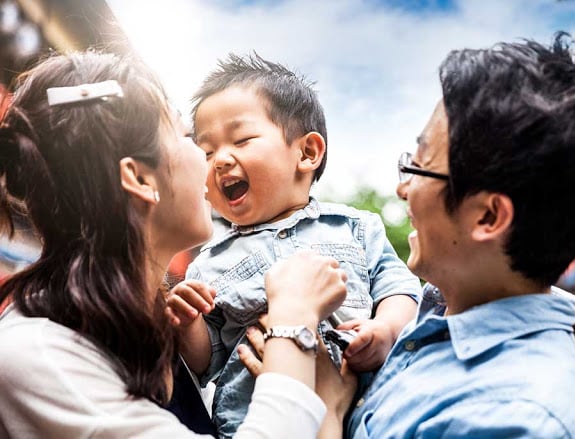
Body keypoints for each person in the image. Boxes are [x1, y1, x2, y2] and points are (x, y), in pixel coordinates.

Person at [0, 51, 356, 438]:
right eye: (191, 140)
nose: (214, 162)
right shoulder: (38, 355)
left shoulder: (157, 326)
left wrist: (330, 412)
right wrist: (293, 321)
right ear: (140, 179)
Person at [347, 34, 575, 438]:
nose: (403, 187)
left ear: (488, 216)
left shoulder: (515, 413)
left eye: (421, 164)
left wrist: (319, 399)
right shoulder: (435, 317)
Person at [167, 53, 421, 437]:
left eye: (242, 139)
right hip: (257, 422)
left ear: (307, 153)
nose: (220, 160)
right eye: (206, 151)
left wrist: (385, 330)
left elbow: (400, 289)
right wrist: (189, 326)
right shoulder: (208, 265)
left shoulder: (355, 228)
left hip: (371, 413)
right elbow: (207, 363)